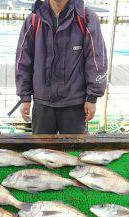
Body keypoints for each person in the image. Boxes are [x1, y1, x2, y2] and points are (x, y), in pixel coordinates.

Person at [15, 0, 107, 134]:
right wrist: (25, 97)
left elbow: (96, 59)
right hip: (42, 103)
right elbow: (23, 60)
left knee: (74, 152)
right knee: (40, 152)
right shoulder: (34, 20)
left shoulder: (86, 18)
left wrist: (92, 98)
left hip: (74, 103)